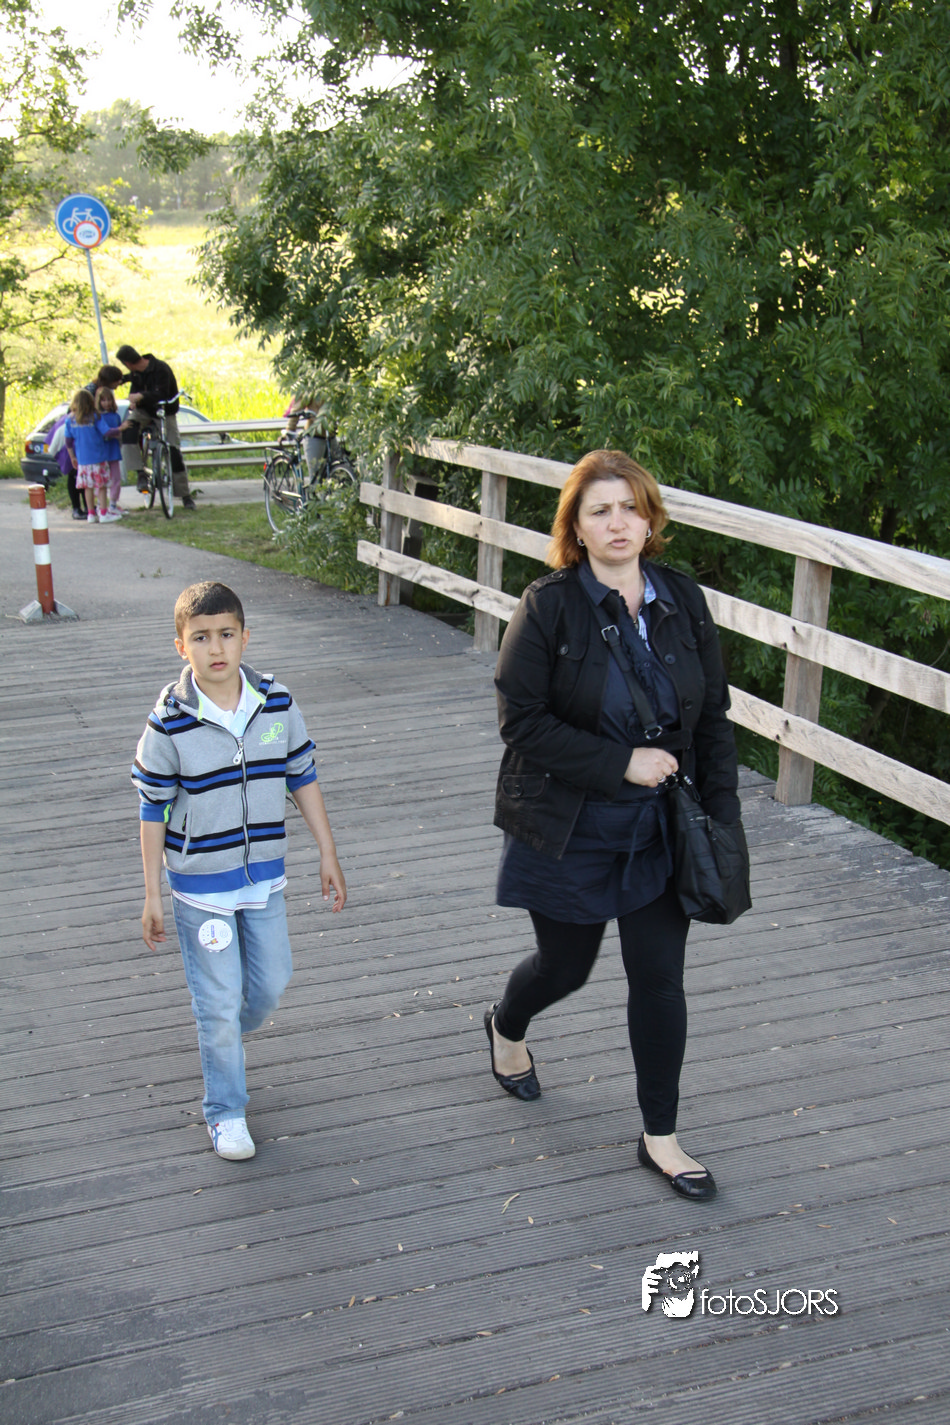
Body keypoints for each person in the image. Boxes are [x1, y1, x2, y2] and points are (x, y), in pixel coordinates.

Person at [485, 449, 742, 1202]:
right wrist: (620, 761)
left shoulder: (682, 598)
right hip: (569, 821)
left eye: (630, 507)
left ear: (650, 518)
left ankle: (660, 1137)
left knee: (659, 979)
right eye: (600, 510)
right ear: (576, 527)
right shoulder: (549, 606)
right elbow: (520, 720)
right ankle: (505, 1025)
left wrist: (723, 819)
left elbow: (712, 718)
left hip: (661, 825)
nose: (618, 522)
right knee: (565, 967)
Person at [131, 581, 347, 1160]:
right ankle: (225, 1111)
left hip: (264, 879)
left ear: (245, 637)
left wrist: (327, 851)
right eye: (201, 638)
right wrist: (151, 892)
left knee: (271, 983)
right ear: (182, 647)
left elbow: (302, 775)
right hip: (199, 887)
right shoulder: (169, 721)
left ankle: (222, 1035)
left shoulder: (276, 702)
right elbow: (152, 808)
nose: (216, 647)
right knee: (219, 1003)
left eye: (226, 634)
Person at [115, 344, 196, 508]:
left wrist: (141, 396)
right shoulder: (136, 373)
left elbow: (162, 394)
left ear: (127, 363)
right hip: (144, 411)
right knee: (129, 431)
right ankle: (140, 473)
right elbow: (130, 386)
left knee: (173, 450)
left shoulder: (161, 369)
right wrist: (133, 400)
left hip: (164, 411)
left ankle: (185, 495)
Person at [64, 389, 121, 523]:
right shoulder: (95, 417)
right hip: (98, 458)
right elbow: (106, 432)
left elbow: (68, 441)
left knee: (87, 487)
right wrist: (120, 429)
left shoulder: (70, 419)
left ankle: (90, 514)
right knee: (101, 486)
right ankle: (103, 513)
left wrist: (72, 457)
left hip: (83, 460)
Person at [94, 386, 128, 516]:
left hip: (113, 451)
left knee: (116, 479)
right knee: (100, 480)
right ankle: (100, 504)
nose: (106, 403)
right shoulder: (97, 417)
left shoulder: (115, 416)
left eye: (109, 400)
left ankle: (113, 504)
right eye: (103, 400)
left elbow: (119, 434)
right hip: (101, 453)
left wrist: (119, 437)